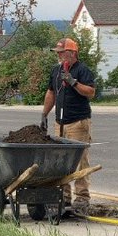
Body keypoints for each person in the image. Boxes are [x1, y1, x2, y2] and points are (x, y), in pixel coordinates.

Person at [41, 37, 96, 216]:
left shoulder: (83, 70)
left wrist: (73, 82)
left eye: (61, 52)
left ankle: (82, 199)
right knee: (61, 162)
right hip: (60, 123)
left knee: (80, 162)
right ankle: (63, 198)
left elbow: (91, 92)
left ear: (72, 53)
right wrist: (44, 114)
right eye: (57, 53)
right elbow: (51, 92)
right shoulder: (56, 71)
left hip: (78, 122)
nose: (59, 56)